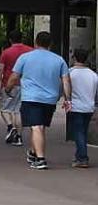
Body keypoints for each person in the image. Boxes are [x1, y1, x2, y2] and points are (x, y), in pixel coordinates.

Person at [7, 31, 70, 170]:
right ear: (51, 44)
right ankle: (33, 152)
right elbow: (65, 81)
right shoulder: (59, 60)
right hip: (50, 100)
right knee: (39, 127)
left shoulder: (25, 57)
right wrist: (68, 99)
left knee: (36, 127)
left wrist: (7, 89)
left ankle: (41, 159)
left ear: (35, 42)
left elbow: (14, 76)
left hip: (31, 97)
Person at [0, 30, 33, 147]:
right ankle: (19, 137)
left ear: (10, 40)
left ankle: (10, 127)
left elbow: (0, 69)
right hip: (25, 84)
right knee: (19, 111)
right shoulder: (30, 51)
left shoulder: (6, 52)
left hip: (9, 83)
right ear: (22, 38)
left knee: (5, 108)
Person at [66, 49, 97, 168]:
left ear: (74, 58)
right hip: (89, 107)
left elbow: (65, 88)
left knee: (78, 132)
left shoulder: (70, 73)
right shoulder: (93, 75)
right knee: (83, 131)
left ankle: (83, 158)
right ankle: (79, 155)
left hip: (75, 106)